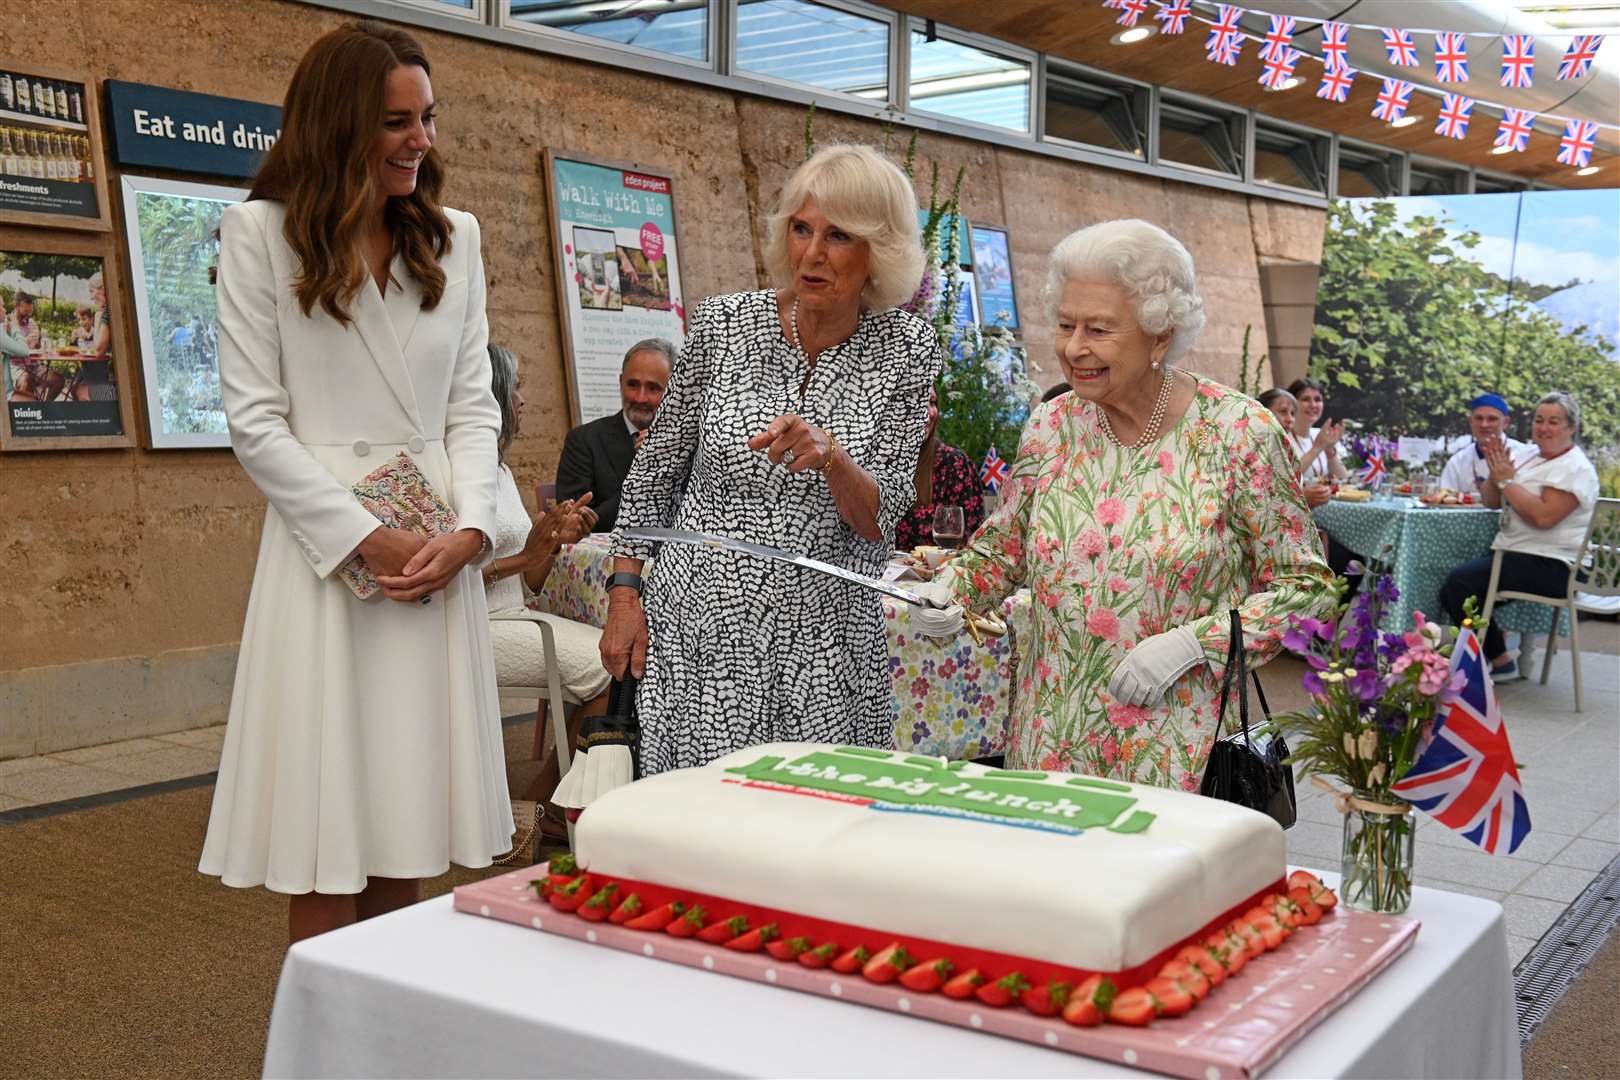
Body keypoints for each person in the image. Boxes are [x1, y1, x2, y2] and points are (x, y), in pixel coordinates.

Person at [199, 21, 511, 944]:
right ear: (338, 126)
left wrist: (473, 532)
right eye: (395, 122)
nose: (422, 140)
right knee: (329, 833)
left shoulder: (455, 239)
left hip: (435, 556)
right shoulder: (260, 234)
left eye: (427, 118)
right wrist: (365, 538)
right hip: (329, 562)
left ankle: (387, 1035)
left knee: (409, 821)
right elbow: (256, 423)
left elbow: (474, 408)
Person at [920, 220, 1335, 788]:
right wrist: (954, 591)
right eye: (1065, 325)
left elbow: (1308, 592)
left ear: (1160, 334)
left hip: (1176, 759)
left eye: (1099, 329)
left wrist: (1195, 643)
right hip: (1047, 747)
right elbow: (1002, 549)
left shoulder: (1238, 433)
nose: (1074, 348)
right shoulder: (1052, 423)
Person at [600, 143, 940, 776]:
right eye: (801, 229)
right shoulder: (724, 323)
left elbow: (882, 520)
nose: (811, 254)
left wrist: (834, 458)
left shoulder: (908, 349)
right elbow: (655, 475)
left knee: (811, 829)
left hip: (825, 638)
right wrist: (625, 595)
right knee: (702, 822)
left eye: (838, 236)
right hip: (702, 629)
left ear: (880, 253)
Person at [481, 343, 611, 829]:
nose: (522, 400)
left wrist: (553, 542)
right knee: (609, 665)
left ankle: (551, 800)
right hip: (476, 626)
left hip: (514, 613)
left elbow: (529, 582)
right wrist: (526, 555)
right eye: (514, 387)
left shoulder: (500, 468)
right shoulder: (459, 472)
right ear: (490, 394)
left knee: (617, 653)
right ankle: (548, 806)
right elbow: (444, 579)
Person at [1439, 392, 1599, 682]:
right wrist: (1494, 472)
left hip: (1555, 565)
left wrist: (1507, 481)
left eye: (1554, 422)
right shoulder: (1527, 455)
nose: (1544, 428)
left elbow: (1543, 517)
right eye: (1539, 420)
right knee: (1459, 584)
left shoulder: (1575, 467)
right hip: (1518, 555)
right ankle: (1490, 657)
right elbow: (1491, 500)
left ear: (1571, 428)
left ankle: (1496, 660)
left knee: (1460, 584)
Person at [554, 338, 673, 532]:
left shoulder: (690, 445)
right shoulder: (584, 441)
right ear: (620, 382)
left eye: (653, 388)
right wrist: (646, 471)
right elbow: (576, 525)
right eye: (633, 385)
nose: (640, 398)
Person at [896, 386, 986, 550]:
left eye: (932, 402)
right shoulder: (872, 462)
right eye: (921, 402)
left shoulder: (953, 464)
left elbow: (971, 538)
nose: (930, 412)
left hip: (938, 573)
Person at [1438, 393, 1530, 494]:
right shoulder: (1458, 462)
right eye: (1479, 418)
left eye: (1492, 419)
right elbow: (1445, 497)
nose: (1484, 425)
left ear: (1505, 423)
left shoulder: (1525, 455)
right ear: (1470, 421)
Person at [1261, 387, 1330, 508]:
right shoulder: (1254, 451)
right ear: (1262, 413)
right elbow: (1259, 502)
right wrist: (1302, 498)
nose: (1290, 419)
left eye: (1293, 413)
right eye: (1283, 411)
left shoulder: (1281, 448)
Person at [1286, 377, 1348, 482]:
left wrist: (1329, 451)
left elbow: (1343, 479)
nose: (1313, 405)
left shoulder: (1323, 435)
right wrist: (1317, 448)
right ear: (1292, 404)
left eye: (1317, 400)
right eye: (1306, 399)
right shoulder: (1282, 438)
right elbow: (1286, 479)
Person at [71, 271, 116, 402]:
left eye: (92, 291)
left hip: (116, 387)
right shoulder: (115, 308)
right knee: (79, 386)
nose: (91, 297)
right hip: (119, 380)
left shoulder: (106, 312)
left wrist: (97, 317)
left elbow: (98, 351)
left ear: (103, 288)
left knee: (80, 390)